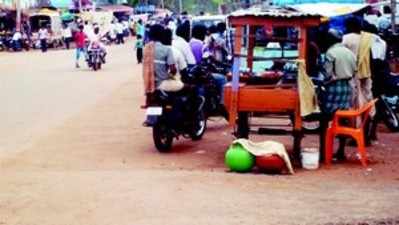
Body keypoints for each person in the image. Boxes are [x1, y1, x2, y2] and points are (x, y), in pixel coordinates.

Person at [319, 29, 357, 161]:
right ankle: (341, 150)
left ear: (330, 40)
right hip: (346, 87)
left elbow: (328, 74)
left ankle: (324, 153)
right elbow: (354, 71)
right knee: (342, 119)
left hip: (334, 87)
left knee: (325, 118)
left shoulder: (331, 53)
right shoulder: (350, 53)